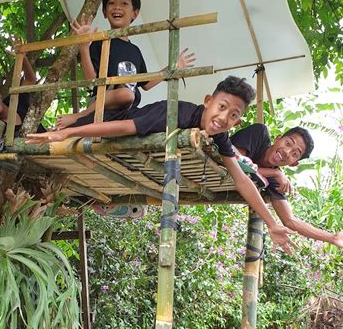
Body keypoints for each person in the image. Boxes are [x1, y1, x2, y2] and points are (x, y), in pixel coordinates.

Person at [27, 76, 297, 255]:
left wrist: (271, 223)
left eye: (233, 115)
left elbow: (241, 180)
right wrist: (68, 133)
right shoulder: (176, 113)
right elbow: (122, 126)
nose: (224, 117)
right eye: (222, 106)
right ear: (208, 101)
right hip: (100, 127)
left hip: (121, 152)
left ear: (237, 122)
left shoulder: (220, 136)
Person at [56, 0, 196, 129]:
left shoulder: (135, 51)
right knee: (126, 94)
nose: (117, 7)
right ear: (104, 12)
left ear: (135, 13)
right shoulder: (101, 42)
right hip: (103, 102)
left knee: (140, 101)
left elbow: (146, 83)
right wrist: (84, 46)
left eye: (124, 3)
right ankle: (82, 115)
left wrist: (172, 67)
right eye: (111, 3)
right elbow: (91, 80)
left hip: (127, 108)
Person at [231, 124, 343, 255]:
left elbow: (290, 221)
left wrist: (332, 238)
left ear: (293, 163)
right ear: (278, 138)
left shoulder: (276, 181)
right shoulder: (259, 133)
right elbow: (234, 161)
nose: (287, 152)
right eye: (288, 143)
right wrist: (275, 173)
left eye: (295, 154)